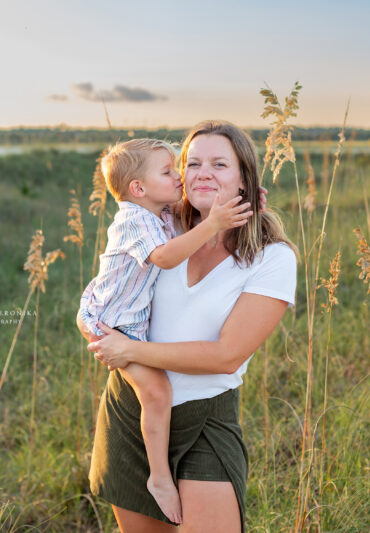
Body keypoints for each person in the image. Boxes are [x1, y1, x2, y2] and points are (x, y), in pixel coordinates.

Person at [80, 120, 298, 533]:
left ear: (244, 178)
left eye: (220, 163)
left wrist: (129, 350)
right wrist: (89, 325)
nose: (203, 173)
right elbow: (105, 297)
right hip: (133, 410)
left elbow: (226, 355)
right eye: (192, 163)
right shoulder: (163, 228)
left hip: (205, 420)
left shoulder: (273, 258)